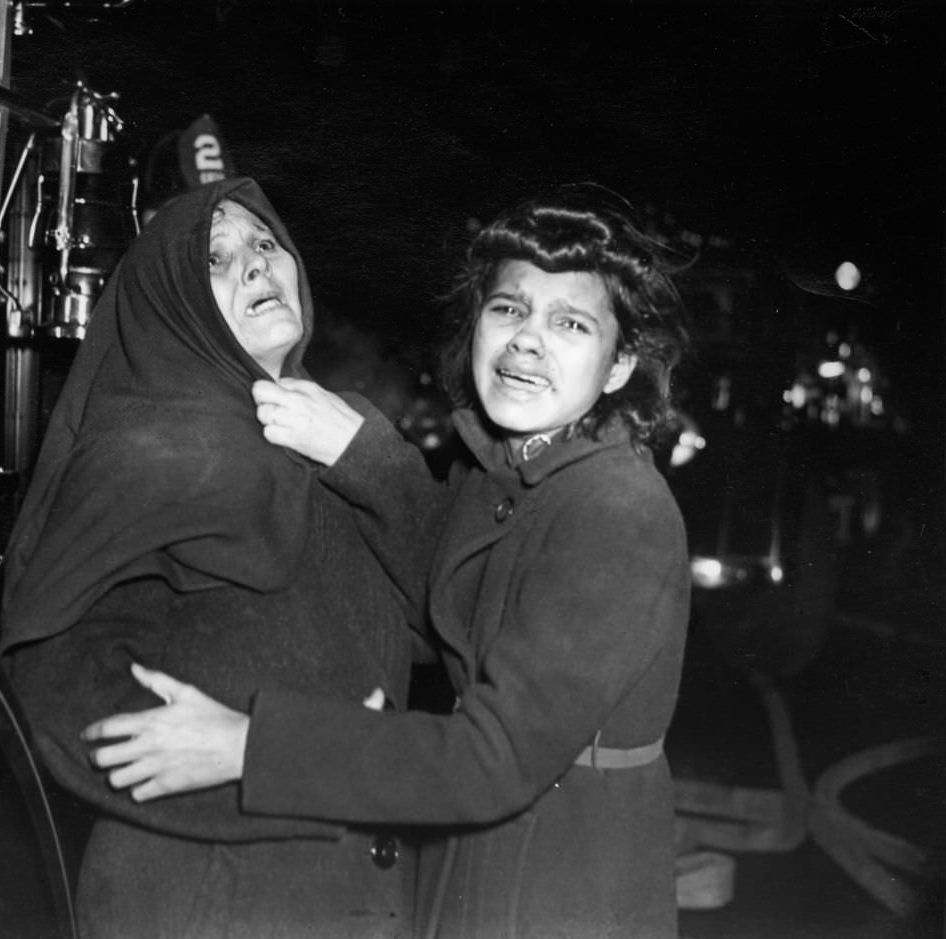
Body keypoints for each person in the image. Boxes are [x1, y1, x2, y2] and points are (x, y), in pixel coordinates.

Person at [81, 186, 693, 939]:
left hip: (562, 877)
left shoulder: (615, 508)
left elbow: (493, 757)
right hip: (479, 860)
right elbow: (451, 603)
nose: (527, 341)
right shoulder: (507, 470)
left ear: (620, 363)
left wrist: (247, 743)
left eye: (570, 322)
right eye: (508, 309)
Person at [0, 177, 419, 939]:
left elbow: (449, 616)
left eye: (265, 243)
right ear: (174, 308)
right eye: (216, 260)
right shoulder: (147, 452)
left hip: (353, 888)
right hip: (204, 896)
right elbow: (53, 689)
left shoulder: (340, 429)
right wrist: (269, 765)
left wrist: (372, 459)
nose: (256, 264)